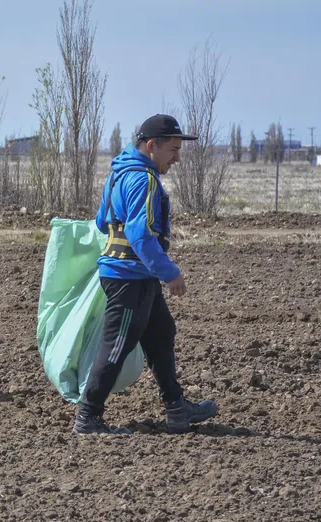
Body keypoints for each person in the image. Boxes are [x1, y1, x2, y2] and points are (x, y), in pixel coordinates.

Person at [73, 114, 219, 435]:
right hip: (130, 278)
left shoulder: (118, 174)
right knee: (116, 347)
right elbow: (140, 235)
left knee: (161, 334)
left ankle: (178, 409)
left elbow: (101, 222)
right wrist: (169, 272)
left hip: (133, 276)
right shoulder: (144, 180)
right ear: (152, 146)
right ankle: (88, 418)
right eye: (174, 150)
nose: (178, 158)